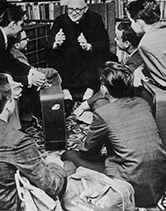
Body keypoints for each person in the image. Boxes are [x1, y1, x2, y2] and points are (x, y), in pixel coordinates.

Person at [62, 61, 166, 207]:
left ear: (104, 89)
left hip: (128, 187)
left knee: (68, 155)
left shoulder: (103, 114)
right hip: (158, 183)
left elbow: (87, 152)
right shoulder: (143, 103)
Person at [0, 74, 67, 210]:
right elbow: (53, 186)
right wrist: (55, 161)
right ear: (9, 104)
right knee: (67, 167)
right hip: (6, 207)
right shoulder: (17, 140)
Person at [0, 3, 48, 121]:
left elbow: (10, 62)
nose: (22, 29)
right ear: (13, 25)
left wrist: (31, 71)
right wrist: (28, 79)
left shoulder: (0, 36)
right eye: (21, 25)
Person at [45, 0, 110, 109]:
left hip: (87, 60)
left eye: (78, 10)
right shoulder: (60, 20)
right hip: (67, 61)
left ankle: (90, 91)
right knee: (55, 54)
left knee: (100, 55)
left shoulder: (95, 18)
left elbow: (104, 42)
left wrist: (89, 46)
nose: (74, 13)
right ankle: (65, 92)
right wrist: (56, 43)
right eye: (70, 9)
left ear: (86, 8)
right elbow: (49, 44)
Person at [74, 21, 143, 117]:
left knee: (99, 104)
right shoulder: (136, 54)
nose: (114, 39)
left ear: (127, 43)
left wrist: (85, 105)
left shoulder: (134, 62)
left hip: (129, 100)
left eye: (118, 38)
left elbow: (111, 86)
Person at [126, 0, 166, 148]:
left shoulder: (145, 44)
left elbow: (163, 80)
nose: (131, 25)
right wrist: (141, 68)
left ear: (139, 22)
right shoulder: (163, 27)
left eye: (131, 21)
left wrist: (147, 75)